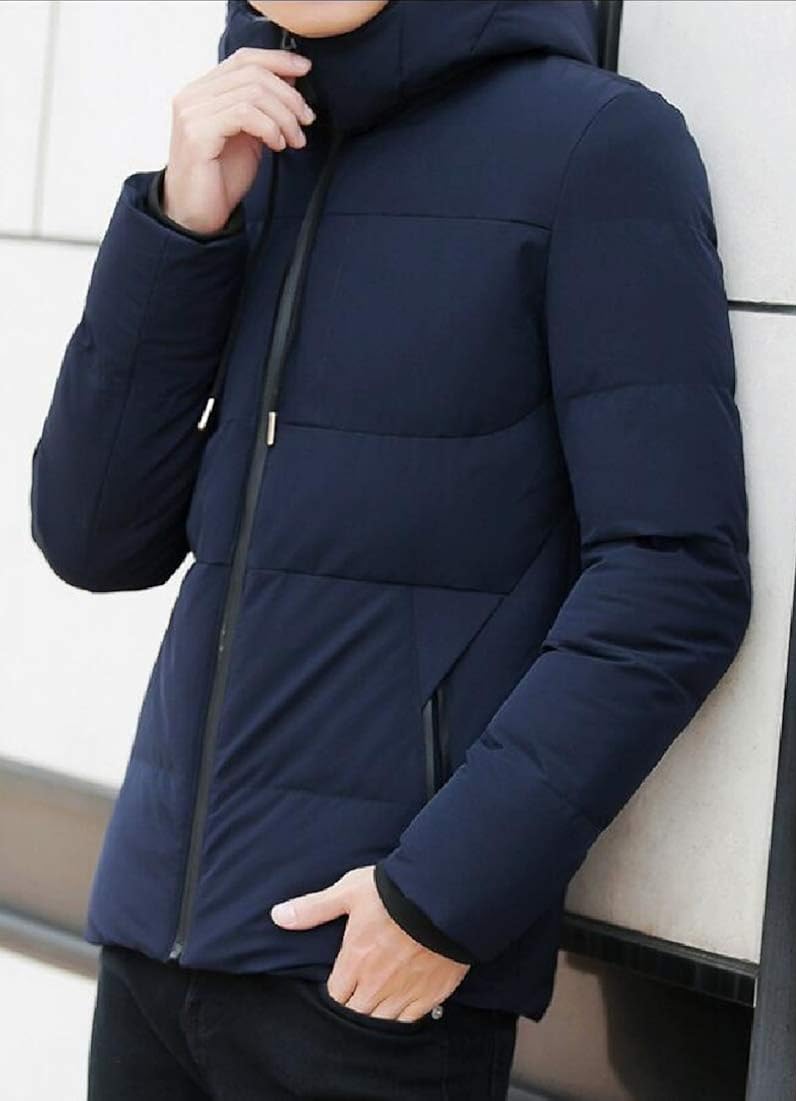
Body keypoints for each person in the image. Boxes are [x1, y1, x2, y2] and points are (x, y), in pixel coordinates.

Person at [29, 0, 752, 1097]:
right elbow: (94, 537)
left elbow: (674, 576)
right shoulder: (251, 146)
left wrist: (439, 899)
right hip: (150, 963)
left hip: (371, 990)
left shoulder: (594, 146)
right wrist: (181, 227)